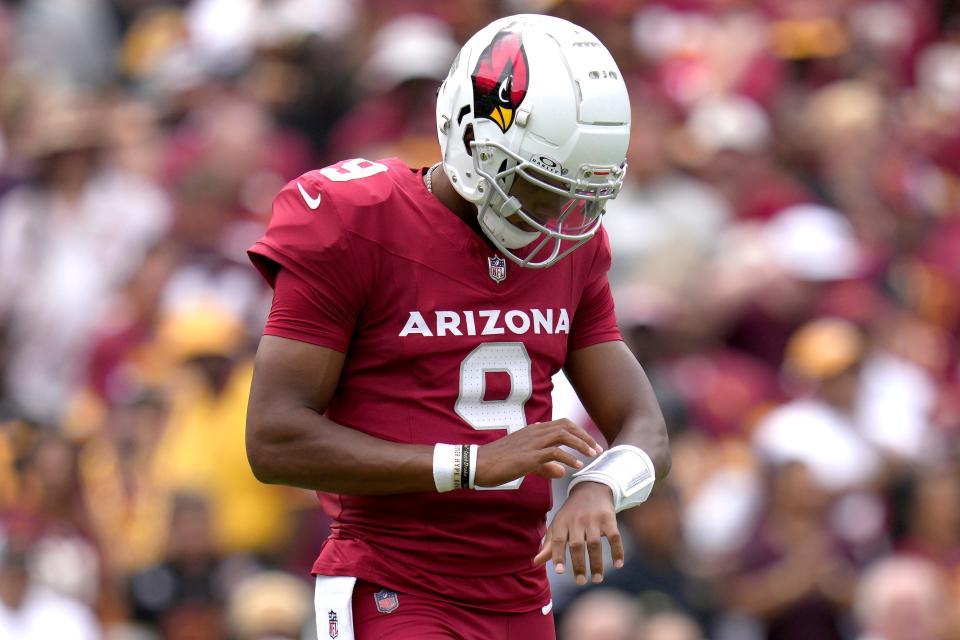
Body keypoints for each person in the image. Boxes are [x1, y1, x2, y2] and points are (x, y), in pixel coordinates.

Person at [245, 13, 670, 640]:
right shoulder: (356, 222)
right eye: (538, 186)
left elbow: (645, 425)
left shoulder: (573, 244)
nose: (556, 215)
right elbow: (274, 439)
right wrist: (471, 464)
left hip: (520, 590)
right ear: (472, 138)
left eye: (576, 194)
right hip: (391, 581)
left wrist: (600, 484)